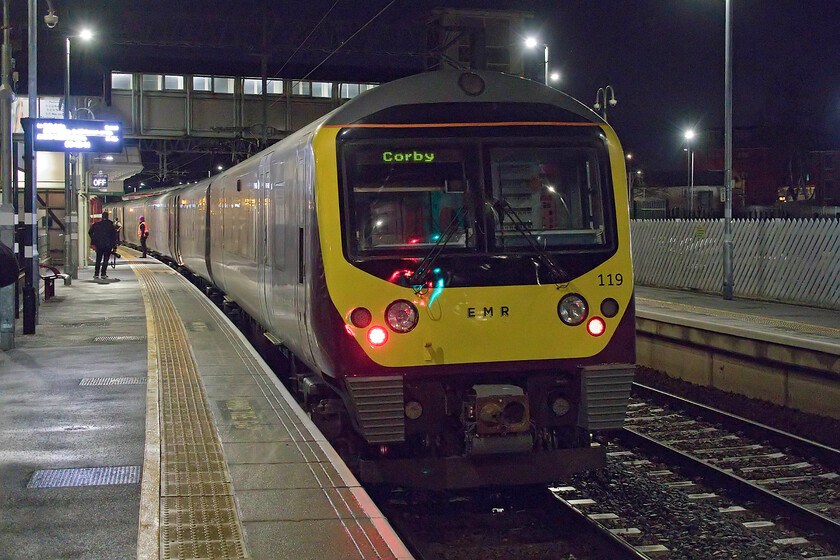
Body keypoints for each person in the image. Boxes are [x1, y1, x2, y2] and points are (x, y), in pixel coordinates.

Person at [88, 211, 117, 279]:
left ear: (102, 217)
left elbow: (90, 232)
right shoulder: (111, 225)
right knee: (106, 259)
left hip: (99, 244)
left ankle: (96, 273)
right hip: (108, 244)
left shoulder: (97, 224)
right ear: (107, 217)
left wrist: (94, 239)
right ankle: (103, 273)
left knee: (98, 259)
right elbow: (114, 236)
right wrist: (114, 245)